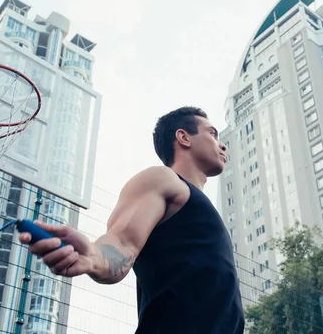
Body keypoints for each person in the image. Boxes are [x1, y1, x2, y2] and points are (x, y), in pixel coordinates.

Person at [19, 106, 245, 334]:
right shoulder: (163, 179)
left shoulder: (203, 210)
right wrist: (93, 256)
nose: (222, 144)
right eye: (212, 134)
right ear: (184, 137)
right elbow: (122, 242)